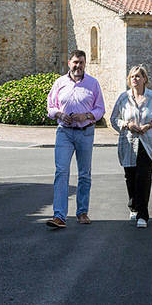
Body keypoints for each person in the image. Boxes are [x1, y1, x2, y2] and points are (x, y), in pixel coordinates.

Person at [45, 50, 105, 229]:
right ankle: (59, 216)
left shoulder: (93, 84)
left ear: (85, 64)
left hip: (85, 132)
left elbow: (100, 109)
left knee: (84, 174)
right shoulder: (59, 82)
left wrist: (86, 115)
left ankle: (82, 212)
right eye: (75, 62)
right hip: (64, 132)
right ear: (69, 62)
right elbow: (51, 106)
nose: (78, 66)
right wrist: (59, 114)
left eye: (81, 63)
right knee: (61, 172)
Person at [110, 65, 152, 229]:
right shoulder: (123, 98)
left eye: (138, 76)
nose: (135, 79)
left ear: (144, 79)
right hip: (128, 142)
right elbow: (114, 119)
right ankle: (133, 206)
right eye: (132, 77)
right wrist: (126, 124)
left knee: (144, 177)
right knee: (131, 176)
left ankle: (143, 214)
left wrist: (149, 125)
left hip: (147, 143)